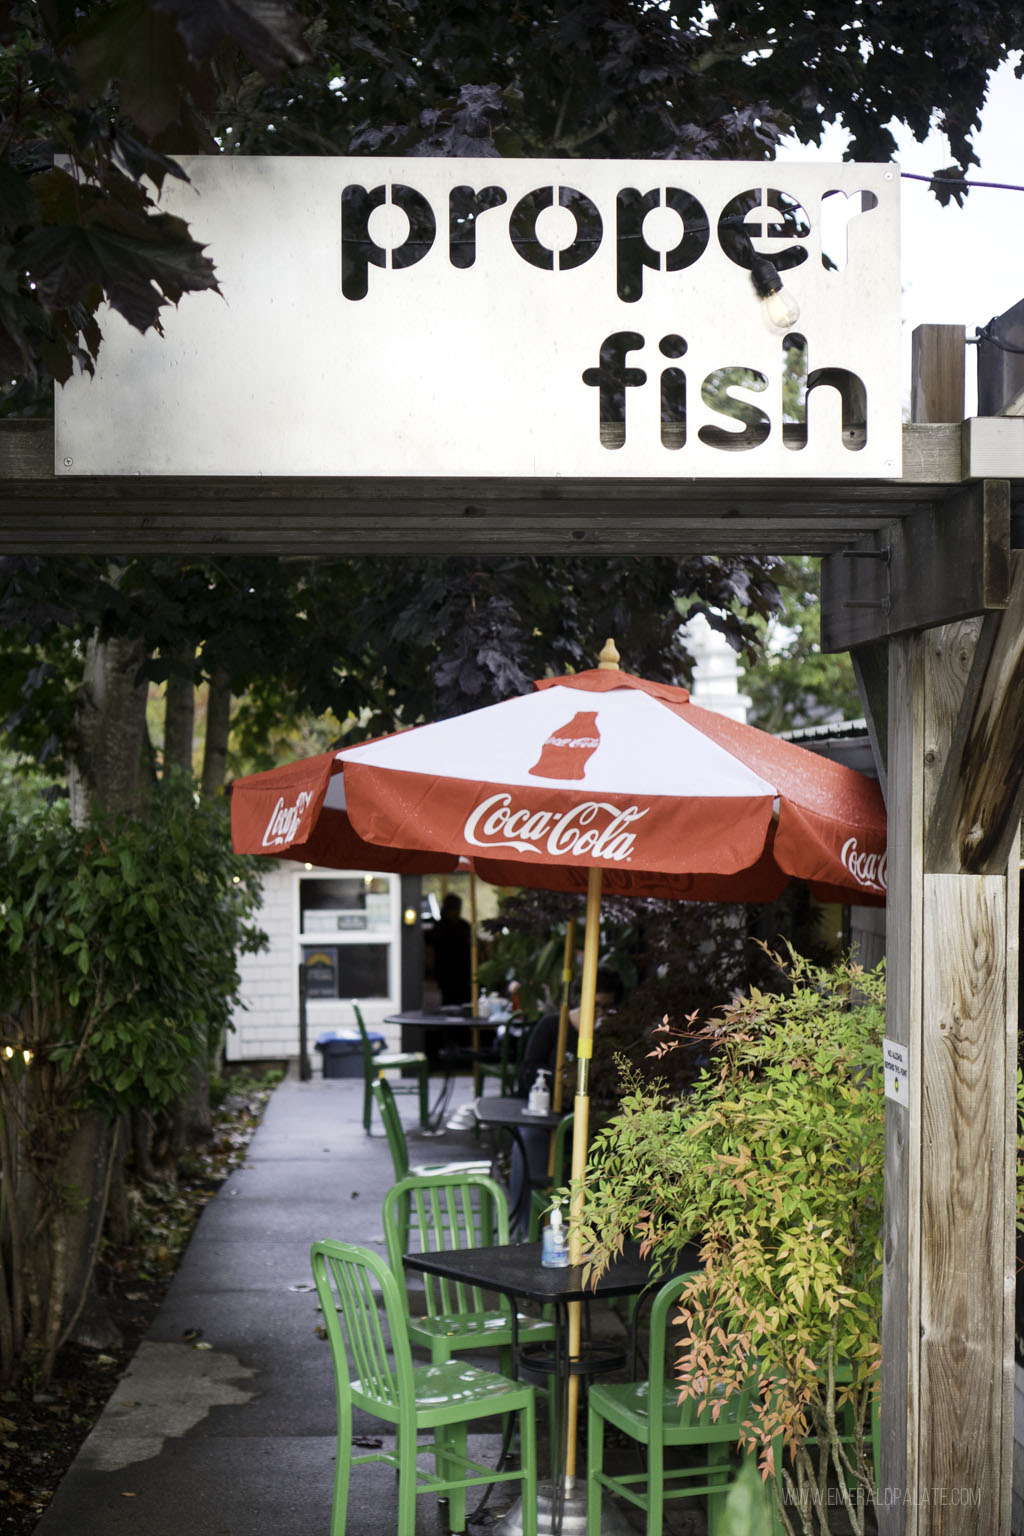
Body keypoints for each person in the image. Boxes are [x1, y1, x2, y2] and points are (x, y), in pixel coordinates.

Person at [508, 967, 624, 1231]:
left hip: (596, 1121)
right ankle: (524, 1228)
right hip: (550, 1116)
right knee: (525, 1146)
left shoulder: (615, 1036)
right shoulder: (553, 1026)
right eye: (594, 1005)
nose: (599, 1013)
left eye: (607, 1007)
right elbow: (527, 1072)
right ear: (580, 999)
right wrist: (557, 1082)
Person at [425, 893, 472, 1007]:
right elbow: (431, 943)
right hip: (446, 970)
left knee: (463, 1000)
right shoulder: (441, 926)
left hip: (462, 970)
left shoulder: (463, 925)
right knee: (449, 1000)